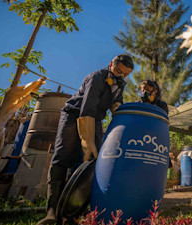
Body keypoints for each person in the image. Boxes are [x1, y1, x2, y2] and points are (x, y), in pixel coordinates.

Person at [37, 54, 134, 225]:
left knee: (89, 162)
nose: (121, 76)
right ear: (111, 64)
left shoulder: (120, 84)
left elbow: (116, 103)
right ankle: (52, 211)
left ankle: (72, 211)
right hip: (75, 115)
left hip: (95, 119)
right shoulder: (97, 78)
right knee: (63, 156)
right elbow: (87, 109)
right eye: (118, 71)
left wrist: (124, 114)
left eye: (125, 74)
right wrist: (86, 142)